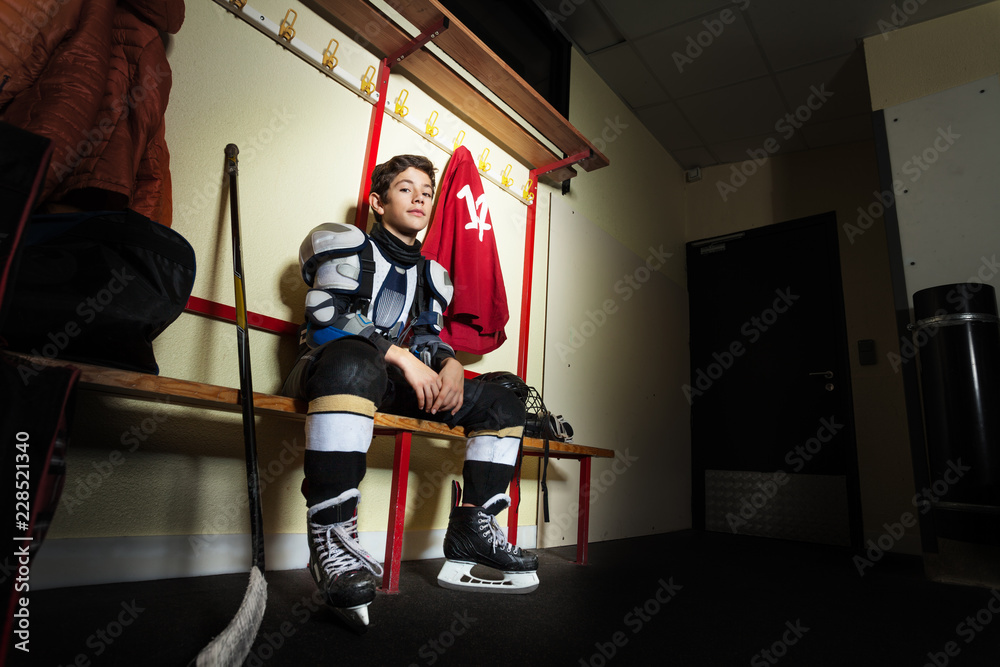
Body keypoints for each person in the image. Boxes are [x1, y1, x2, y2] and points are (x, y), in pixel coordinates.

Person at [282, 154, 538, 632]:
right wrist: (398, 358)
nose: (419, 196)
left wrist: (451, 364)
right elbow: (325, 319)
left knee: (504, 398)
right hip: (326, 370)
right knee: (358, 360)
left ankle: (473, 530)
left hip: (382, 385)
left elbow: (427, 339)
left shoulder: (431, 273)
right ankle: (333, 537)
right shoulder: (347, 244)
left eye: (426, 190)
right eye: (405, 188)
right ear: (378, 202)